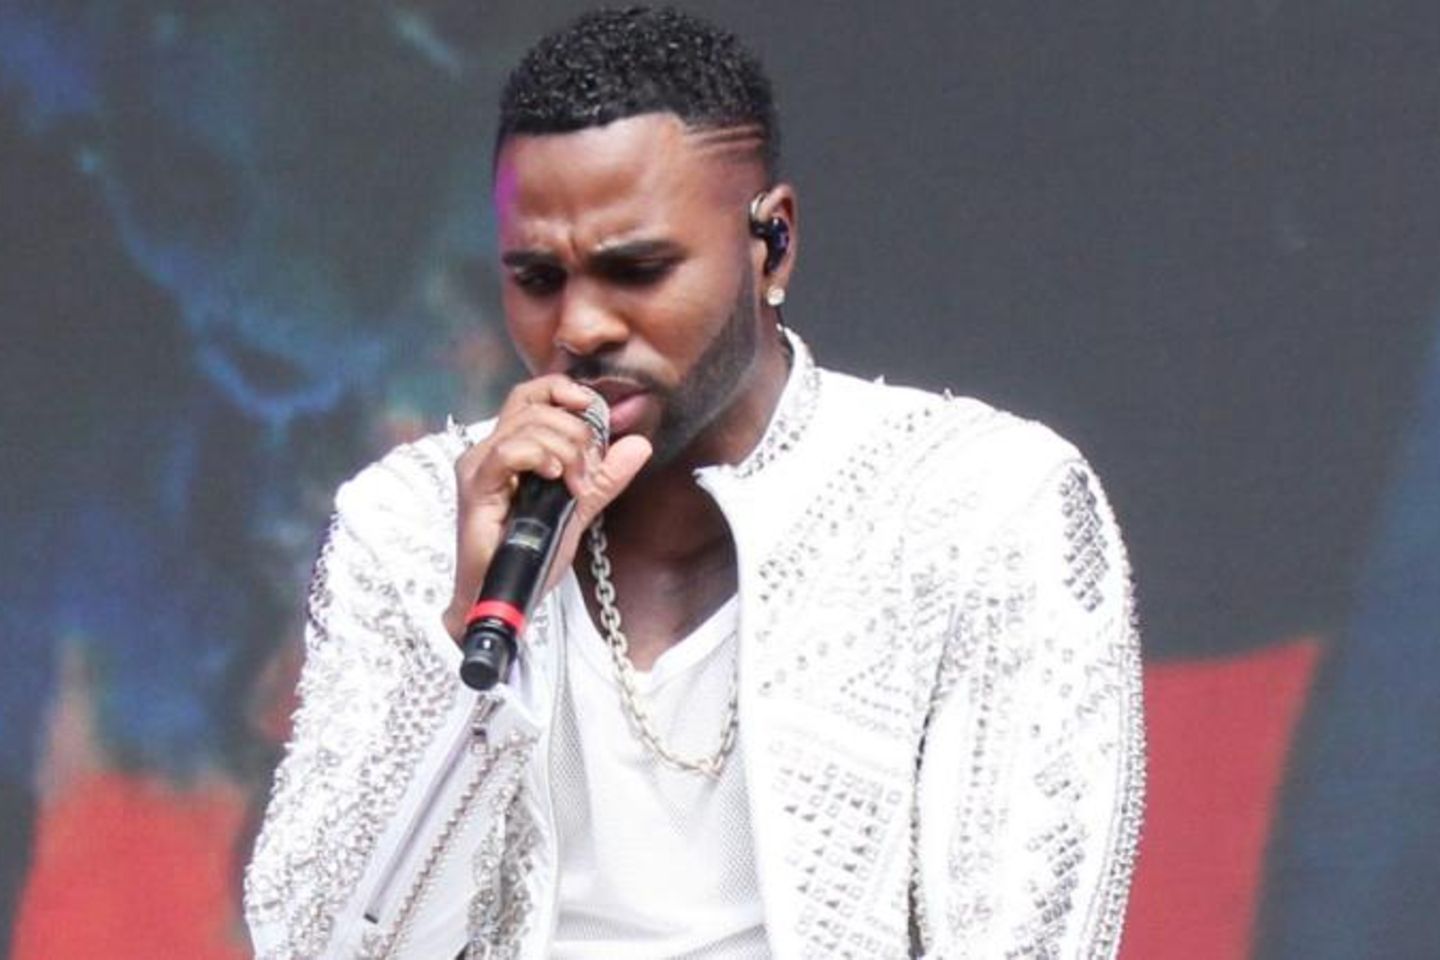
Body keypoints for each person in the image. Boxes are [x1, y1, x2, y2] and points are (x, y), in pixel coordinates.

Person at [244, 7, 1144, 958]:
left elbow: (1024, 938)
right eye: (537, 277)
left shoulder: (981, 507)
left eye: (636, 269)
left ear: (772, 244)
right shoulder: (412, 519)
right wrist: (465, 642)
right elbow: (315, 947)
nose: (579, 327)